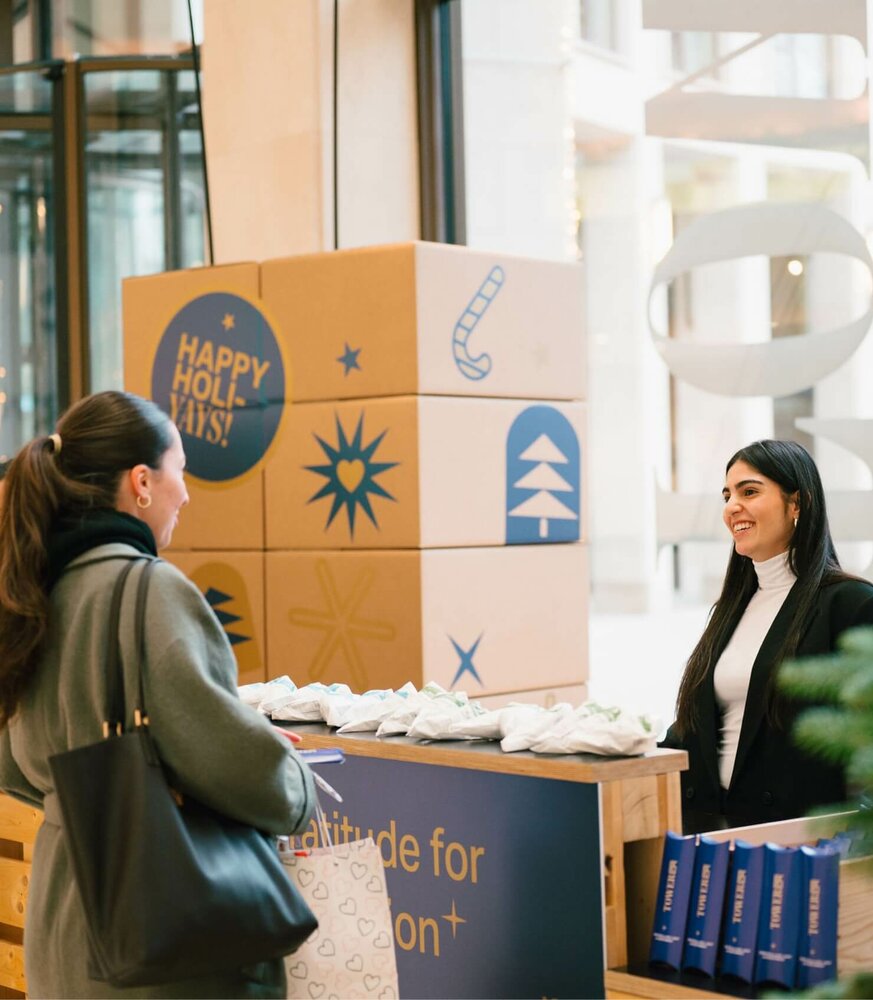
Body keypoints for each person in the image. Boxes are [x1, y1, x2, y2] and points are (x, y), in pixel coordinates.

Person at [0, 391, 315, 999]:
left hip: (62, 926)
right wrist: (292, 777)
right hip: (156, 945)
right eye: (181, 471)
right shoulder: (150, 592)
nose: (187, 494)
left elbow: (12, 764)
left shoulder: (32, 593)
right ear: (141, 483)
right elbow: (230, 763)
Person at [661, 439, 873, 834]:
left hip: (796, 838)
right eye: (727, 495)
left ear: (797, 504)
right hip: (710, 828)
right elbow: (695, 725)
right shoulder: (731, 608)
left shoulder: (850, 604)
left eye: (749, 491)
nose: (732, 507)